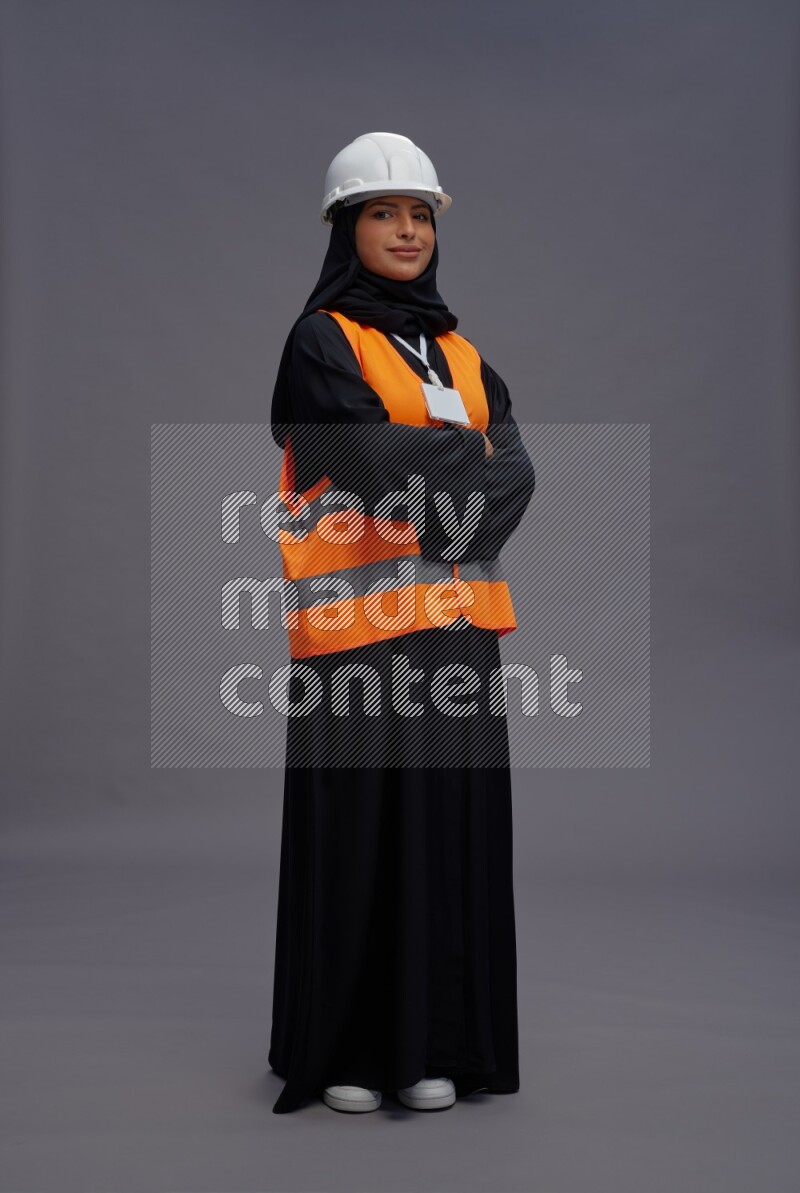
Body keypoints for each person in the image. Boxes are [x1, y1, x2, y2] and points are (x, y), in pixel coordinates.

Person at [267, 132, 536, 1114]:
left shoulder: (460, 351)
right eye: (384, 212)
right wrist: (453, 462)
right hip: (356, 634)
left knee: (448, 831)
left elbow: (518, 474)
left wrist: (438, 466)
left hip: (457, 631)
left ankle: (437, 1047)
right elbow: (368, 463)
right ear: (347, 228)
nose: (407, 230)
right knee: (364, 833)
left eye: (419, 214)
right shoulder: (320, 342)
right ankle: (348, 1049)